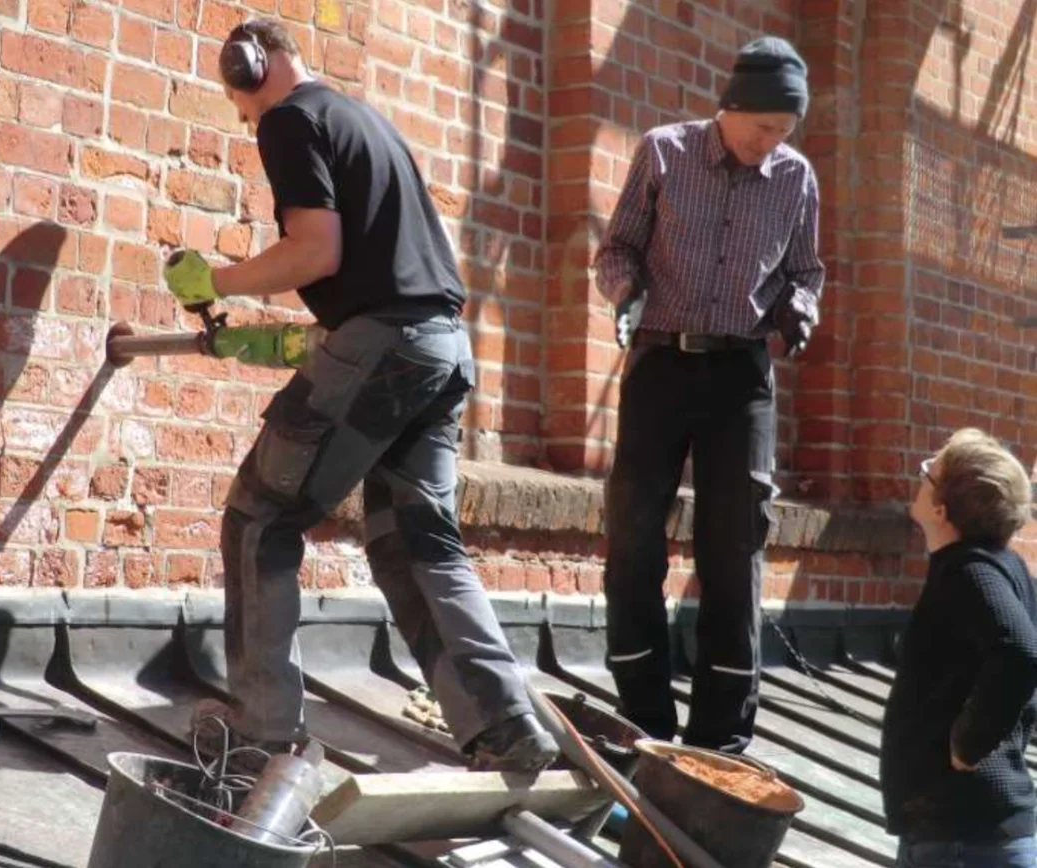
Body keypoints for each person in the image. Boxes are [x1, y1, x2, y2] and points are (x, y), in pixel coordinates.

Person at [160, 17, 558, 772]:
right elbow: (384, 275)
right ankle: (505, 725)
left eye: (237, 101)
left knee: (260, 516)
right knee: (414, 543)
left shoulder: (290, 118)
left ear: (254, 65)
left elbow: (317, 250)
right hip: (441, 348)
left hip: (388, 344)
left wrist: (218, 280)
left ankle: (263, 732)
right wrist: (304, 340)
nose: (243, 117)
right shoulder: (363, 120)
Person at [594, 35, 825, 754]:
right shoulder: (663, 153)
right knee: (634, 535)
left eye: (784, 133)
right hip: (661, 361)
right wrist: (626, 294)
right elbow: (617, 249)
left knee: (735, 546)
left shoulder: (797, 178)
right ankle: (643, 717)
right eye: (763, 129)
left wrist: (801, 310)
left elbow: (806, 271)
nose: (771, 144)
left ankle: (722, 737)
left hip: (742, 377)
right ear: (730, 108)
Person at [881, 429, 1037, 868]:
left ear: (941, 509)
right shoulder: (1000, 566)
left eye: (930, 472)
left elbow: (1021, 653)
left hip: (962, 842)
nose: (922, 473)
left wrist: (968, 745)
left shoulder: (970, 571)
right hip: (965, 835)